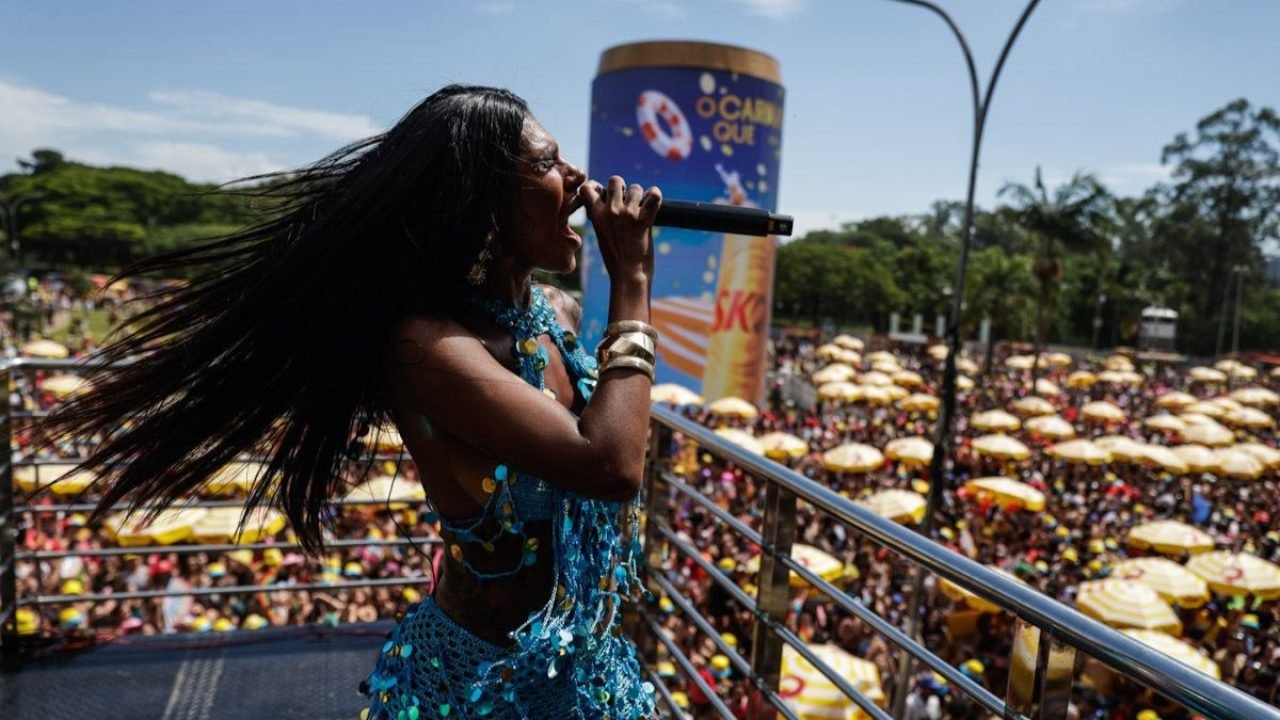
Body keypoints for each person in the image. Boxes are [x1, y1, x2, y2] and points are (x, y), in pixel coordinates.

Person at [41, 85, 663, 719]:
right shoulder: (426, 344)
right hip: (483, 687)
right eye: (547, 162)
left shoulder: (546, 314)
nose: (578, 177)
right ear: (482, 199)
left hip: (587, 668)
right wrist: (633, 282)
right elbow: (609, 465)